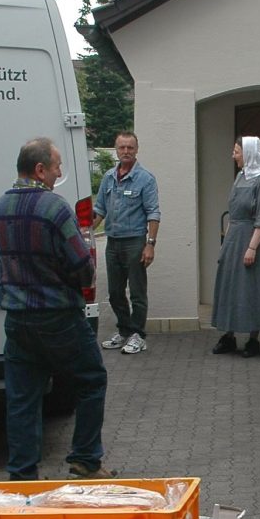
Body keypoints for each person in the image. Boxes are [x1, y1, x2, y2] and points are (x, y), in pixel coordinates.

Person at [0, 137, 115, 480]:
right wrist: (79, 277)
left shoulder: (0, 207)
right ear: (40, 169)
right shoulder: (54, 207)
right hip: (58, 315)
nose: (60, 173)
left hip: (17, 319)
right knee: (91, 380)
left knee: (22, 398)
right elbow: (81, 262)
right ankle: (86, 460)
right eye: (57, 166)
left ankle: (22, 475)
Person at [210, 135, 260, 358]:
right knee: (231, 286)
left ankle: (253, 339)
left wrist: (251, 248)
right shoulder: (241, 176)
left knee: (253, 288)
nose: (233, 155)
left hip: (254, 239)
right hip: (235, 238)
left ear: (248, 153)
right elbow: (234, 213)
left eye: (236, 151)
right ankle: (229, 335)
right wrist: (226, 243)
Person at [93, 131, 161, 355]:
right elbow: (99, 210)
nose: (126, 152)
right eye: (122, 148)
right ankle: (124, 331)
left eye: (130, 148)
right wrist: (84, 232)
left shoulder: (145, 179)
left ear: (136, 149)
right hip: (112, 243)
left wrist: (150, 244)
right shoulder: (108, 177)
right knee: (114, 292)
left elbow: (153, 213)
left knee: (137, 293)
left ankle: (138, 335)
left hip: (135, 243)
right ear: (116, 149)